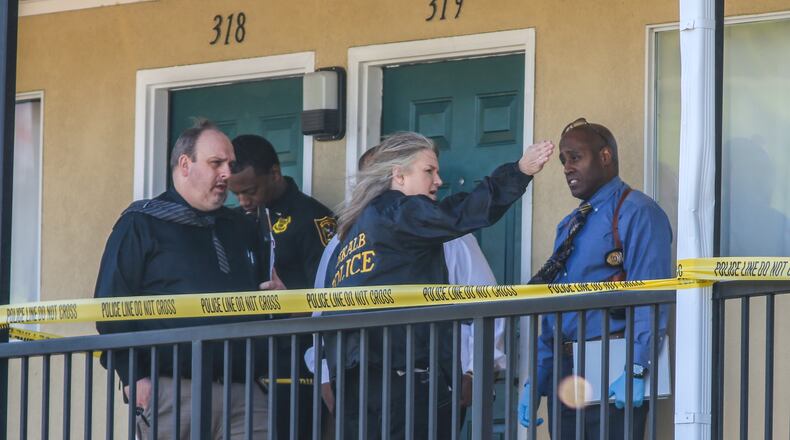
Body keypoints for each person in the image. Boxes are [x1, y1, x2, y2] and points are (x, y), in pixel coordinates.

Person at [326, 131, 554, 439]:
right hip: (401, 384)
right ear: (399, 175)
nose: (438, 181)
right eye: (429, 171)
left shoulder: (353, 234)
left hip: (359, 384)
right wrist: (519, 171)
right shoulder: (398, 213)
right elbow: (459, 213)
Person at [94, 119, 270, 439]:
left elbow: (261, 293)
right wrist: (135, 377)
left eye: (229, 164)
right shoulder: (141, 222)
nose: (227, 174)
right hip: (173, 390)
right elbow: (109, 308)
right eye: (215, 163)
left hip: (245, 391)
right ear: (185, 165)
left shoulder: (241, 227)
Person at [518, 118, 672, 439]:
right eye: (563, 161)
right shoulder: (569, 224)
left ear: (605, 157)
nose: (566, 168)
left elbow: (650, 295)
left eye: (576, 157)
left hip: (611, 364)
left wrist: (637, 367)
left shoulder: (637, 212)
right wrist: (538, 377)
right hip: (565, 370)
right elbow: (554, 308)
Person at [228, 133, 336, 439]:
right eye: (235, 194)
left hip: (298, 362)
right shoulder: (233, 222)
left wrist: (295, 302)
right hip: (244, 363)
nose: (243, 201)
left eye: (249, 191)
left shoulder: (313, 218)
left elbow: (335, 293)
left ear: (274, 174)